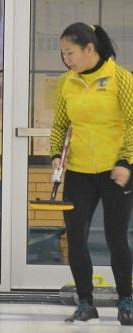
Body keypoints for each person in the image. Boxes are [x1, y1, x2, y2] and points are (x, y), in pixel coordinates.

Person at [50, 22, 133, 325]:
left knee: (116, 237)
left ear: (89, 49)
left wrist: (126, 162)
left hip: (115, 171)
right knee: (76, 238)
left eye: (70, 52)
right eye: (63, 54)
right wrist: (56, 156)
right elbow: (60, 125)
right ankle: (85, 302)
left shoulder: (120, 79)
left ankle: (127, 299)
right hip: (79, 172)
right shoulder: (66, 83)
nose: (66, 60)